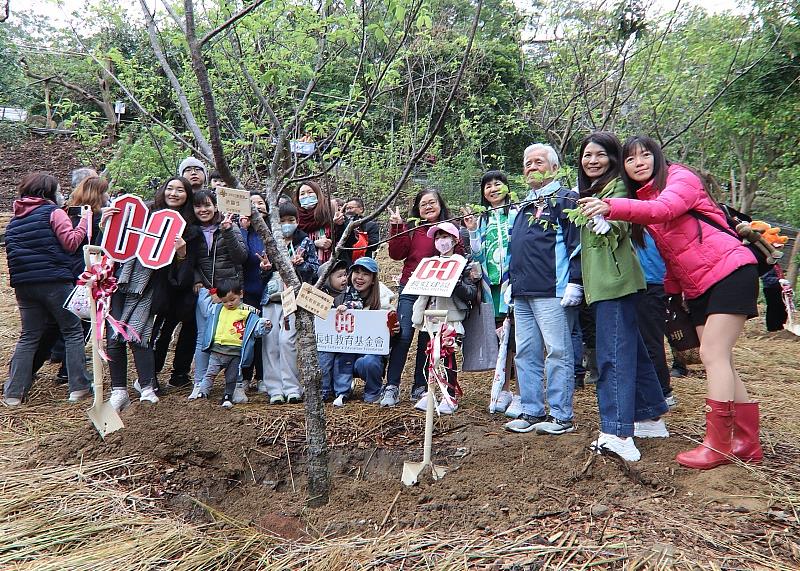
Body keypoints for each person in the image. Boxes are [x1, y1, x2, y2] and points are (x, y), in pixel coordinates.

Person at [579, 135, 762, 469]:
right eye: (631, 159)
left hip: (729, 270)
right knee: (722, 360)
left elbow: (664, 209)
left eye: (645, 155)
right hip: (700, 283)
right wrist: (672, 292)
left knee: (712, 354)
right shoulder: (643, 194)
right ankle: (746, 441)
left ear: (658, 157)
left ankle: (718, 444)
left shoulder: (680, 179)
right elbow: (672, 254)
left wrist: (612, 207)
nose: (639, 163)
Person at [572, 132, 669, 462]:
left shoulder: (616, 189)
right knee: (633, 352)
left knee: (613, 356)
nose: (593, 160)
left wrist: (605, 219)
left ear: (613, 159)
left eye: (600, 154)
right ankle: (651, 416)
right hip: (607, 285)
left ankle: (618, 432)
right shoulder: (590, 192)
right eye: (587, 155)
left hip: (616, 284)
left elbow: (620, 226)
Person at [502, 144, 581, 436]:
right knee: (525, 352)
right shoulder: (523, 205)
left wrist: (576, 281)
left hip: (553, 290)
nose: (532, 167)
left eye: (538, 161)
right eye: (527, 163)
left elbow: (576, 244)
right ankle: (532, 410)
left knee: (558, 352)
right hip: (522, 290)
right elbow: (515, 247)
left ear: (555, 168)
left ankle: (561, 415)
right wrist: (510, 280)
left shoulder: (565, 198)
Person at [3, 173, 92, 406]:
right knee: (72, 330)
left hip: (24, 287)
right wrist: (84, 221)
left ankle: (13, 393)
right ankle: (79, 387)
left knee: (29, 336)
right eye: (59, 190)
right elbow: (71, 243)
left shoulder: (14, 221)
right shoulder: (53, 213)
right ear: (48, 192)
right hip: (54, 282)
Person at [382, 189, 468, 407]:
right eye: (423, 204)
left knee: (427, 338)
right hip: (411, 288)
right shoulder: (413, 229)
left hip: (437, 292)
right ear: (417, 208)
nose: (428, 207)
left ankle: (420, 387)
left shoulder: (450, 229)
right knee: (403, 335)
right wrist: (398, 227)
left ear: (440, 204)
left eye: (432, 202)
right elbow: (396, 254)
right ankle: (391, 385)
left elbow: (459, 257)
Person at [33, 174, 107, 382]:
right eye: (104, 192)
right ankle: (68, 371)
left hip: (63, 274)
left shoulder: (66, 214)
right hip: (82, 275)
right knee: (80, 324)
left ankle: (28, 368)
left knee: (54, 326)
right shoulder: (96, 219)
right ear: (98, 195)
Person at [462, 170, 517, 414]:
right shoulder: (482, 219)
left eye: (497, 184)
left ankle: (523, 391)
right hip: (491, 287)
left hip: (515, 284)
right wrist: (473, 230)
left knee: (516, 337)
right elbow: (476, 254)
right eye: (487, 186)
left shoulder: (517, 213)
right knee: (500, 338)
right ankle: (503, 388)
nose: (493, 189)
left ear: (507, 187)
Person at [410, 222, 479, 414]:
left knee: (446, 355)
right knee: (428, 355)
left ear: (455, 240)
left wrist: (456, 283)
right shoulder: (430, 263)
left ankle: (450, 394)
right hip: (429, 316)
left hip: (449, 317)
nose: (441, 241)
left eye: (445, 237)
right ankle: (430, 392)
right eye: (438, 238)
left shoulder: (463, 263)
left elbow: (471, 292)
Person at [185, 190, 248, 400]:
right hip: (205, 292)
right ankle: (200, 383)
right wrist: (196, 280)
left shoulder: (229, 226)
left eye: (207, 205)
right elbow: (190, 261)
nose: (203, 210)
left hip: (230, 293)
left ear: (215, 206)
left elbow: (241, 256)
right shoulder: (191, 232)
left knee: (236, 339)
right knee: (203, 337)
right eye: (198, 206)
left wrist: (228, 231)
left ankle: (237, 385)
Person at [259, 201, 319, 404]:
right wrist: (265, 269)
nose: (286, 224)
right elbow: (261, 272)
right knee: (270, 343)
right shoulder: (268, 242)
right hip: (270, 298)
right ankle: (274, 388)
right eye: (282, 220)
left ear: (297, 221)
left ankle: (292, 387)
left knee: (287, 342)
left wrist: (299, 267)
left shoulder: (305, 242)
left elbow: (314, 268)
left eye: (290, 220)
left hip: (293, 299)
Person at [320, 257, 395, 406]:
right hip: (343, 352)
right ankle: (333, 390)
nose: (360, 277)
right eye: (357, 272)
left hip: (367, 354)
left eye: (366, 274)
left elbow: (389, 336)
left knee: (369, 362)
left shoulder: (383, 300)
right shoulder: (342, 292)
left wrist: (393, 330)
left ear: (373, 279)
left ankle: (373, 392)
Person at [150, 176, 198, 390]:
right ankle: (150, 374)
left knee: (188, 328)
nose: (174, 194)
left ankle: (180, 373)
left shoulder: (193, 225)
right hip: (157, 282)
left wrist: (181, 252)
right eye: (170, 188)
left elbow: (195, 258)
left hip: (185, 283)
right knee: (159, 331)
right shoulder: (151, 216)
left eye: (180, 190)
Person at [195, 280, 270, 405]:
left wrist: (265, 325)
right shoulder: (217, 309)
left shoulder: (247, 312)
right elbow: (206, 310)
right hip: (217, 350)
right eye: (224, 301)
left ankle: (227, 396)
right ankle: (203, 393)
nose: (229, 304)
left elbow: (255, 328)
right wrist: (205, 292)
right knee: (210, 373)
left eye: (232, 300)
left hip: (235, 352)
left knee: (232, 377)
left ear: (240, 294)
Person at [635, 230, 677, 408]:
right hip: (647, 283)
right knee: (649, 340)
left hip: (651, 284)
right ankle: (659, 390)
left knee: (651, 341)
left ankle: (662, 391)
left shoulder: (651, 221)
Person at [237, 192, 271, 394]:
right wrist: (242, 229)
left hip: (267, 291)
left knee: (265, 335)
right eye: (252, 203)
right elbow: (238, 256)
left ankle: (262, 377)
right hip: (246, 291)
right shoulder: (241, 230)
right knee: (247, 334)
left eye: (261, 203)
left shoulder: (272, 231)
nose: (256, 206)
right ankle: (245, 376)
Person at [294, 182, 342, 264]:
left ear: (318, 194)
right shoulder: (295, 217)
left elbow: (346, 240)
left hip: (334, 264)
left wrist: (339, 225)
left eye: (310, 192)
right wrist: (313, 243)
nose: (306, 196)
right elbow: (292, 243)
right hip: (306, 266)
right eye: (302, 194)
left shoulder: (330, 211)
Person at [341, 197, 380, 263]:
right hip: (345, 261)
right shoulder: (342, 224)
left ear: (361, 209)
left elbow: (374, 246)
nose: (348, 211)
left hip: (363, 262)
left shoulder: (370, 225)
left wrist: (360, 239)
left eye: (350, 208)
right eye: (346, 209)